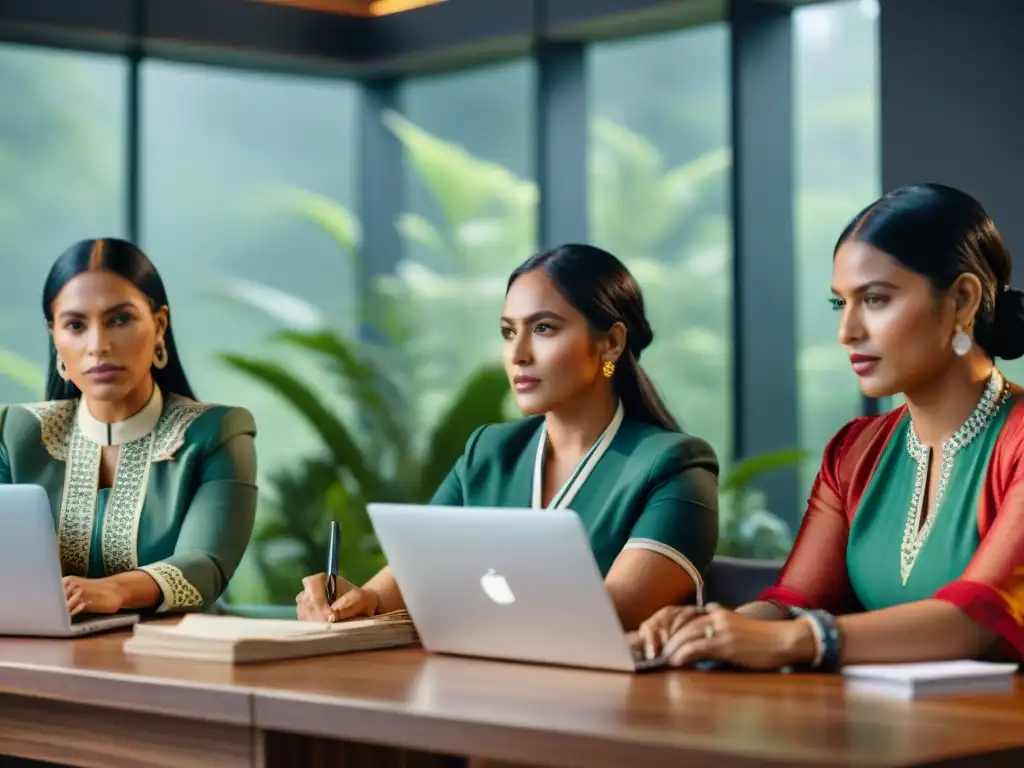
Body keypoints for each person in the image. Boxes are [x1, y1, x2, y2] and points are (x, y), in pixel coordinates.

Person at [632, 183, 1024, 671]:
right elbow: (795, 600)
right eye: (841, 304)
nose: (847, 332)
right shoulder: (854, 452)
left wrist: (795, 642)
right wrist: (706, 628)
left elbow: (978, 618)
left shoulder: (1018, 441)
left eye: (876, 300)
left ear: (962, 300)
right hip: (881, 733)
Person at [297, 244, 719, 631]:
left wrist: (443, 602)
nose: (518, 354)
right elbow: (404, 584)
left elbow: (608, 618)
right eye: (507, 331)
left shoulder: (675, 466)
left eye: (545, 329)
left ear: (610, 343)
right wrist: (355, 601)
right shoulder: (489, 452)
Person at [0, 238, 258, 616]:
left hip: (175, 657)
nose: (98, 344)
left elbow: (206, 564)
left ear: (159, 326)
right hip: (37, 656)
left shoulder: (218, 433)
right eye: (75, 324)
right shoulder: (13, 433)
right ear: (55, 337)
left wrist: (115, 591)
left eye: (119, 319)